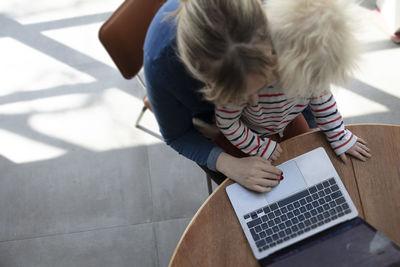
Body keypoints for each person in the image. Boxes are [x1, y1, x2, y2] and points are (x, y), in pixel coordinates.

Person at [144, 0, 315, 193]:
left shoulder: (284, 15)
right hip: (216, 124)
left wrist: (315, 129)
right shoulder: (162, 65)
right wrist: (228, 164)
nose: (254, 102)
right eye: (236, 95)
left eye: (262, 84)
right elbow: (177, 135)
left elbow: (310, 82)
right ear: (200, 77)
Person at [192, 0, 372, 163]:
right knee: (265, 180)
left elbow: (323, 99)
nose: (314, 86)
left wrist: (339, 135)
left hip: (288, 122)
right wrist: (259, 146)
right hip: (249, 133)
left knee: (310, 161)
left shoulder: (312, 71)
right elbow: (227, 123)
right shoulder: (248, 78)